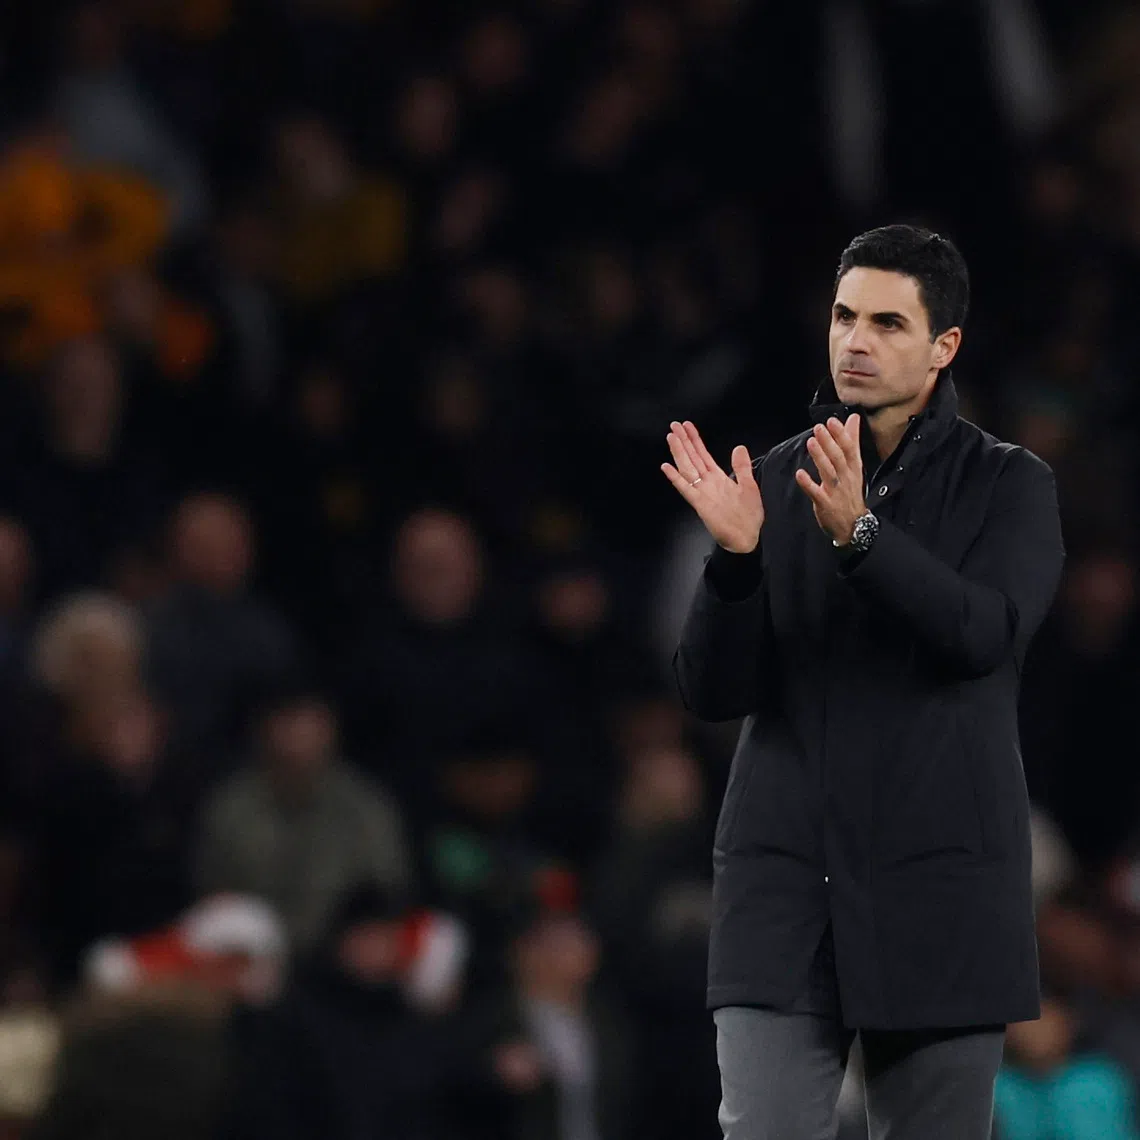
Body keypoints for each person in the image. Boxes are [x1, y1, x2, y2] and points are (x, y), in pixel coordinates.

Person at [663, 224, 1065, 1139]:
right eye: (845, 316)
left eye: (887, 322)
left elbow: (983, 634)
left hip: (941, 891)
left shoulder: (1010, 486)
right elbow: (712, 692)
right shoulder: (773, 479)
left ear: (943, 346)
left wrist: (863, 540)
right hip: (786, 887)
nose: (855, 340)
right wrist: (733, 565)